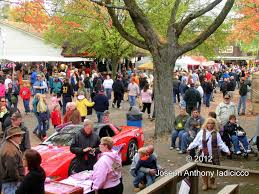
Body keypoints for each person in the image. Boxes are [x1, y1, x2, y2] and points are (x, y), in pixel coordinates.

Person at [187, 118, 230, 191]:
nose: (210, 125)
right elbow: (196, 141)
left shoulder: (216, 133)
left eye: (212, 123)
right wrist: (189, 147)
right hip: (203, 154)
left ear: (214, 124)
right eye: (208, 123)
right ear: (206, 124)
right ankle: (205, 183)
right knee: (204, 170)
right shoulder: (201, 132)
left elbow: (221, 143)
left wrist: (227, 150)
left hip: (214, 155)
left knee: (213, 170)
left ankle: (212, 183)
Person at [0, 127, 25, 194]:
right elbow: (11, 169)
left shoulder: (8, 145)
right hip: (11, 183)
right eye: (20, 135)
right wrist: (19, 179)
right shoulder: (10, 150)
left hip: (9, 182)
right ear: (13, 137)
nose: (21, 137)